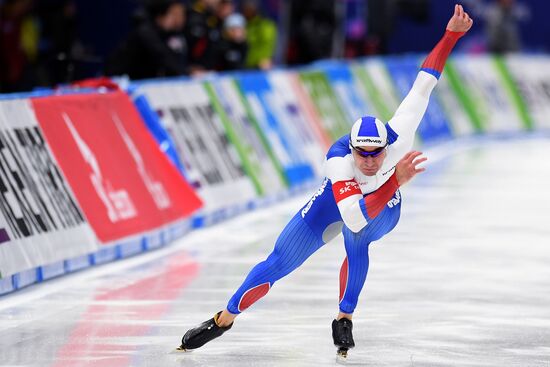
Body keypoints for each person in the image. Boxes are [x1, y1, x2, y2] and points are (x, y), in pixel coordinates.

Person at [178, 4, 473, 359]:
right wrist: (395, 177)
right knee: (279, 260)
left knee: (357, 238)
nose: (368, 161)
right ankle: (222, 320)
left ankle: (343, 318)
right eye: (361, 154)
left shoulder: (401, 133)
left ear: (386, 146)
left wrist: (451, 35)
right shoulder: (339, 161)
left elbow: (426, 80)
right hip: (350, 200)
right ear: (351, 149)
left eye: (375, 154)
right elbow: (351, 213)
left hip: (385, 204)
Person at [105, 0, 189, 80]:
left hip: (143, 78)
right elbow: (163, 56)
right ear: (160, 16)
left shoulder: (171, 33)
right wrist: (187, 74)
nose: (180, 19)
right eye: (175, 14)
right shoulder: (145, 31)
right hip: (119, 79)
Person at [241, 0, 276, 70]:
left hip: (262, 64)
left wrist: (266, 58)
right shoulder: (244, 23)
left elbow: (267, 44)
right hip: (246, 64)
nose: (246, 11)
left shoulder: (265, 24)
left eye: (249, 9)